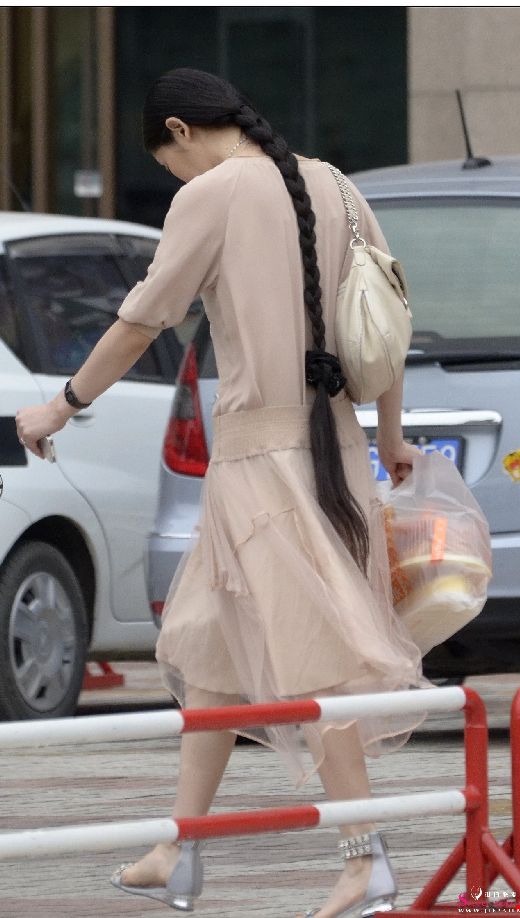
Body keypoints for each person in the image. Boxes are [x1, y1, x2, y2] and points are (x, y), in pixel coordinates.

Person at [16, 68, 435, 918]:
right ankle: (182, 847)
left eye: (167, 160)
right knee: (208, 653)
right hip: (333, 453)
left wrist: (62, 405)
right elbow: (385, 317)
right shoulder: (339, 187)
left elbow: (142, 319)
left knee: (314, 658)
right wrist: (389, 436)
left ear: (179, 130)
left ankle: (365, 860)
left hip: (262, 464)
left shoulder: (211, 196)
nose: (174, 176)